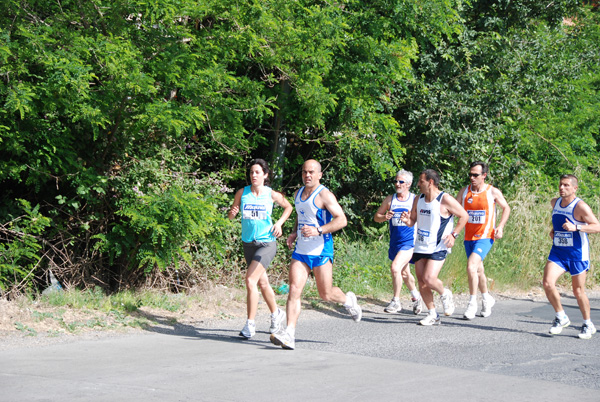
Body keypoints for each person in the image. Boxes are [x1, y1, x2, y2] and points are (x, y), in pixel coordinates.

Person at [270, 159, 362, 350]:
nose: (307, 175)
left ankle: (348, 300)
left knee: (325, 293)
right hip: (302, 250)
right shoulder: (298, 194)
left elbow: (342, 220)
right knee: (294, 289)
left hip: (321, 250)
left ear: (319, 174)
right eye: (304, 172)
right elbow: (300, 214)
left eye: (311, 172)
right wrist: (295, 232)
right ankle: (289, 334)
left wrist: (319, 230)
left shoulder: (325, 195)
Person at [228, 159, 293, 339]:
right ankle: (276, 314)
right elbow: (231, 216)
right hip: (248, 243)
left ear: (265, 175)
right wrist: (232, 214)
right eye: (251, 172)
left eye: (257, 172)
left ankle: (250, 324)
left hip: (266, 243)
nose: (253, 175)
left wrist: (279, 223)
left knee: (250, 280)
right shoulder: (242, 193)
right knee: (262, 283)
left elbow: (288, 207)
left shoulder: (271, 194)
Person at [400, 169, 468, 325]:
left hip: (438, 245)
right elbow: (412, 221)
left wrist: (454, 234)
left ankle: (445, 293)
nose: (418, 184)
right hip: (421, 245)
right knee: (421, 282)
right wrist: (406, 220)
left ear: (430, 182)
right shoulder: (419, 199)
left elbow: (464, 215)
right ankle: (432, 314)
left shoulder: (445, 199)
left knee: (429, 278)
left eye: (421, 181)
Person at [542, 174, 600, 339]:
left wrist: (577, 227)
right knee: (547, 283)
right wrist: (554, 230)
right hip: (558, 252)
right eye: (561, 185)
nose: (562, 188)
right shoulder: (555, 203)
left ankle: (588, 323)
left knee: (578, 291)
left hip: (577, 254)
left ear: (575, 188)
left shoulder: (581, 207)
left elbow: (597, 226)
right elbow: (558, 220)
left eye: (566, 185)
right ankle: (561, 316)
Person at [456, 161, 511, 320]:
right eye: (470, 174)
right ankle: (487, 299)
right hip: (469, 237)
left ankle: (472, 303)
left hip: (486, 236)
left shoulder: (492, 191)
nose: (472, 177)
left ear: (484, 176)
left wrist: (500, 226)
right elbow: (454, 207)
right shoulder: (464, 191)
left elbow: (506, 208)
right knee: (479, 270)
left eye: (476, 175)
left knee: (471, 266)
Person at [374, 169, 422, 314]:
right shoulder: (390, 199)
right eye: (396, 181)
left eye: (401, 182)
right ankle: (417, 297)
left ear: (408, 184)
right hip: (395, 242)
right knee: (405, 274)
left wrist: (409, 219)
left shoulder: (415, 199)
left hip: (409, 242)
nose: (397, 184)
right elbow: (376, 216)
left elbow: (423, 219)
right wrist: (385, 217)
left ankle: (396, 301)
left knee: (395, 268)